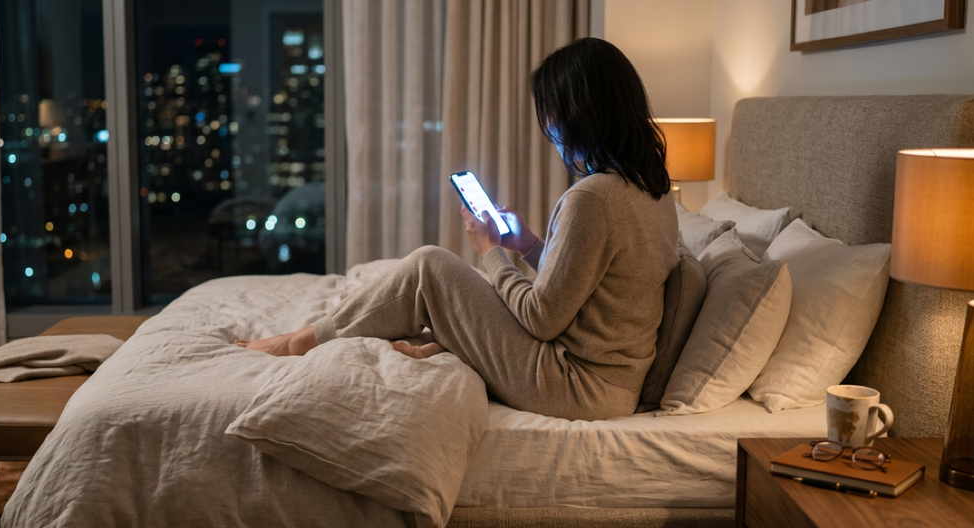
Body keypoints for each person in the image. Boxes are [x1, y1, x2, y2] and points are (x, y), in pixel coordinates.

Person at [237, 38, 678, 421]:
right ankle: (416, 341)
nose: (549, 128)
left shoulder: (592, 198)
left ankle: (297, 343)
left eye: (552, 114)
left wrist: (491, 252)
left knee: (430, 268)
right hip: (610, 384)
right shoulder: (654, 189)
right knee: (439, 290)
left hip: (577, 386)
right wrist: (526, 244)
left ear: (580, 113)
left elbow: (543, 319)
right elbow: (588, 285)